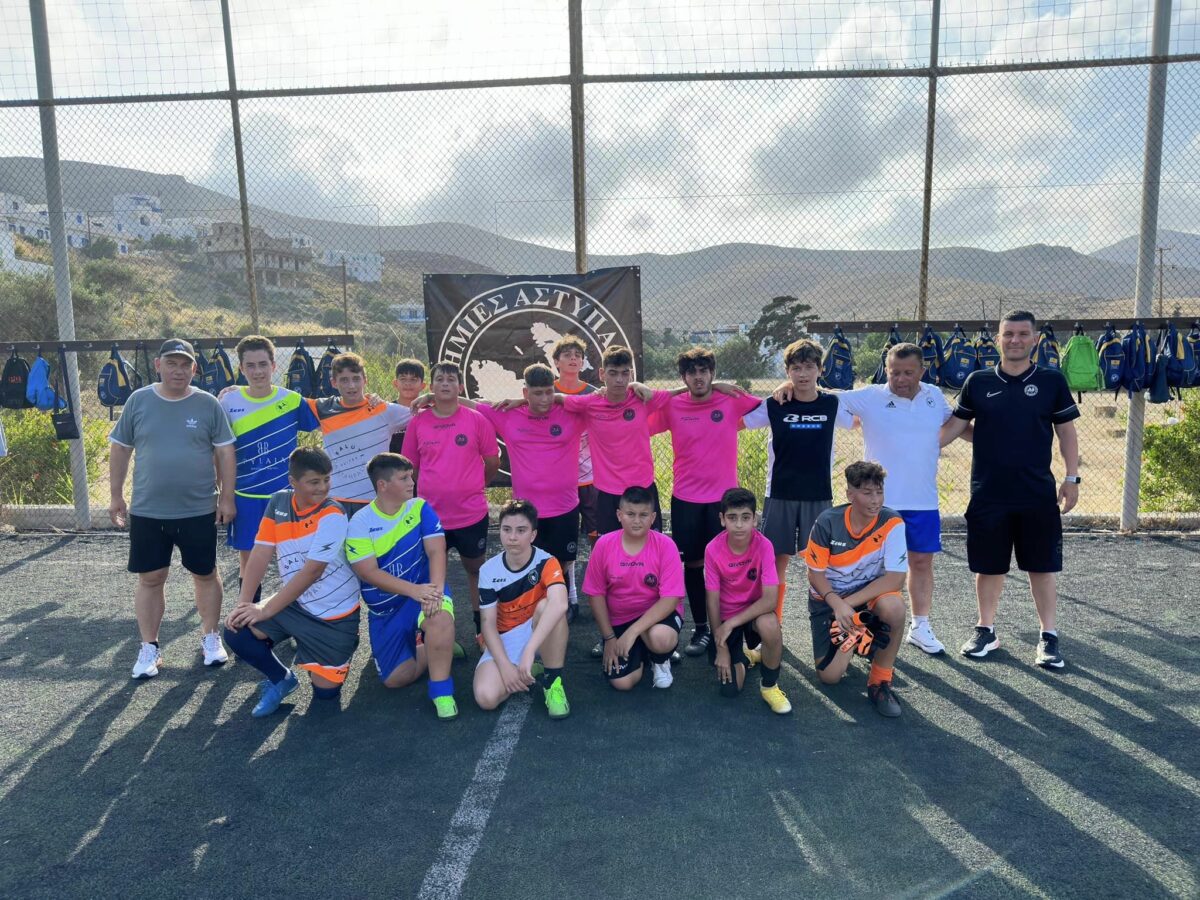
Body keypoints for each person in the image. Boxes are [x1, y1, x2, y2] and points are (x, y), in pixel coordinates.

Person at [939, 310, 1080, 670]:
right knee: (989, 567)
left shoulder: (1051, 380)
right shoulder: (978, 381)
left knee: (1041, 567)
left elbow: (1066, 432)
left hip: (1037, 493)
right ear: (998, 338)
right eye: (1008, 334)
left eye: (1022, 334)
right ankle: (985, 630)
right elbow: (954, 427)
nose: (1015, 340)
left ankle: (1048, 636)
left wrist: (1072, 477)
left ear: (1035, 339)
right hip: (988, 492)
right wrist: (915, 444)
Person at [108, 339, 237, 679]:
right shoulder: (139, 401)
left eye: (185, 365)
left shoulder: (208, 404)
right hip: (149, 510)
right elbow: (120, 449)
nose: (178, 371)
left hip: (198, 509)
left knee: (205, 573)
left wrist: (226, 497)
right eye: (171, 363)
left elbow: (225, 451)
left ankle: (211, 637)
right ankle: (149, 647)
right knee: (151, 578)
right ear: (158, 365)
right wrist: (116, 495)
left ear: (194, 369)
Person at [827, 342, 954, 655]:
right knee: (873, 568)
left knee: (921, 562)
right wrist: (790, 387)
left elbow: (956, 424)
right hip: (878, 505)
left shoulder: (934, 396)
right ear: (886, 370)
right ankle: (864, 626)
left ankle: (920, 626)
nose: (900, 379)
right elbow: (825, 398)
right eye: (894, 372)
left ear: (922, 371)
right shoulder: (871, 396)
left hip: (923, 502)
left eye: (908, 372)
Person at [223, 448, 360, 717]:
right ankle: (281, 679)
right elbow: (261, 552)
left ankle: (339, 645)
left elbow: (312, 572)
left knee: (326, 696)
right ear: (292, 482)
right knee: (236, 629)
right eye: (314, 482)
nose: (323, 487)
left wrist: (265, 609)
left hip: (334, 617)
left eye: (326, 479)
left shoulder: (334, 513)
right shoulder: (279, 502)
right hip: (295, 605)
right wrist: (244, 604)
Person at [651, 346, 762, 658]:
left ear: (712, 373)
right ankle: (701, 628)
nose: (698, 377)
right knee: (693, 565)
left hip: (724, 503)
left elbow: (772, 405)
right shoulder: (673, 405)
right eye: (692, 372)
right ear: (683, 377)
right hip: (686, 500)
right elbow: (639, 415)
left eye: (704, 371)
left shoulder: (730, 399)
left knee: (731, 565)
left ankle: (733, 626)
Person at [451, 363, 584, 605]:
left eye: (549, 392)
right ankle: (530, 611)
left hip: (564, 507)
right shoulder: (508, 415)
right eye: (537, 393)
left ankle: (559, 608)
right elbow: (471, 405)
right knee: (527, 563)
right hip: (527, 510)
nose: (545, 399)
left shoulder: (570, 414)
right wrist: (431, 396)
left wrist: (559, 398)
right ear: (525, 392)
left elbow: (600, 401)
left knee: (561, 564)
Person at [345, 453, 459, 719]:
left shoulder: (419, 508)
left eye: (410, 476)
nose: (412, 482)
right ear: (382, 485)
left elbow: (436, 551)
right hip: (386, 610)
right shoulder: (359, 523)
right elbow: (368, 572)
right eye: (404, 478)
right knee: (395, 680)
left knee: (439, 617)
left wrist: (434, 591)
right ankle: (435, 647)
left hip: (423, 592)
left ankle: (442, 693)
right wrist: (415, 591)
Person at [745, 338, 852, 623]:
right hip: (780, 493)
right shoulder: (775, 404)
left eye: (809, 367)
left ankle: (823, 622)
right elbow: (740, 420)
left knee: (819, 562)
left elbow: (857, 421)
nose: (802, 374)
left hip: (818, 494)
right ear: (787, 371)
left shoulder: (832, 404)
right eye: (795, 368)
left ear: (820, 369)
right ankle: (773, 621)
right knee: (775, 560)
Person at [401, 361, 500, 650]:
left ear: (460, 385)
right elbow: (411, 467)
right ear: (432, 386)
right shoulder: (418, 422)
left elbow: (492, 462)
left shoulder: (476, 420)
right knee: (433, 577)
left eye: (451, 379)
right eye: (440, 379)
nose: (445, 383)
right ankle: (436, 634)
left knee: (476, 570)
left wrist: (473, 486)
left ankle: (482, 630)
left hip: (471, 514)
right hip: (432, 517)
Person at [220, 335, 320, 602]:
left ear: (274, 366)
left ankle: (297, 617)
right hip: (247, 496)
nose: (258, 371)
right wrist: (223, 495)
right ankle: (247, 614)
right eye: (250, 366)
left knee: (295, 559)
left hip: (288, 496)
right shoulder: (227, 403)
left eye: (263, 364)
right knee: (250, 560)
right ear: (241, 368)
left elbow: (332, 419)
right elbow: (220, 452)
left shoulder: (293, 400)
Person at [805, 461, 908, 718]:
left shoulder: (893, 522)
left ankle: (880, 682)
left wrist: (847, 607)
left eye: (879, 492)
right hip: (828, 600)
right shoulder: (827, 522)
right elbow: (815, 574)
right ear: (850, 494)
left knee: (894, 607)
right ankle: (862, 636)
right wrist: (837, 605)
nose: (875, 500)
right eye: (867, 493)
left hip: (862, 598)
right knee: (829, 677)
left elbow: (895, 579)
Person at [558, 345, 673, 536]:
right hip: (607, 492)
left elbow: (680, 393)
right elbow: (556, 398)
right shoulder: (590, 403)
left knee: (649, 546)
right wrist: (521, 401)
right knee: (611, 547)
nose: (619, 379)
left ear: (631, 374)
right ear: (602, 374)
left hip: (643, 487)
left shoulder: (643, 399)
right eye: (613, 373)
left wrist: (717, 385)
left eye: (624, 373)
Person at [474, 500, 571, 718]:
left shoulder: (547, 561)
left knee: (549, 606)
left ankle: (552, 682)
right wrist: (504, 666)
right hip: (506, 637)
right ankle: (525, 670)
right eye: (506, 529)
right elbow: (487, 624)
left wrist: (529, 650)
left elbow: (560, 604)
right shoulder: (488, 570)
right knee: (486, 698)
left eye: (521, 530)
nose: (512, 537)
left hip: (539, 630)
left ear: (533, 535)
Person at [583, 486, 686, 691]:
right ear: (619, 515)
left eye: (643, 515)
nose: (637, 520)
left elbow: (671, 598)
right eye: (630, 514)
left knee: (661, 639)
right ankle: (641, 653)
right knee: (622, 683)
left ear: (653, 517)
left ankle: (659, 659)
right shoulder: (603, 545)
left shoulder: (666, 545)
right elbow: (595, 594)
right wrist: (609, 638)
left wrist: (632, 632)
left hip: (656, 618)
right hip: (620, 619)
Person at [704, 487, 790, 714]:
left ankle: (769, 686)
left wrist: (731, 624)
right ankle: (743, 657)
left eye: (745, 517)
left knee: (770, 624)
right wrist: (721, 646)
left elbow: (770, 600)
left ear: (755, 519)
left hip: (754, 612)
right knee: (729, 689)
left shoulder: (764, 545)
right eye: (732, 518)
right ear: (722, 519)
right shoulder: (712, 549)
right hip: (726, 616)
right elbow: (712, 601)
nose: (739, 525)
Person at [306, 352, 412, 503]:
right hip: (335, 499)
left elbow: (429, 415)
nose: (351, 386)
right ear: (333, 383)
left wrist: (429, 397)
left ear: (365, 380)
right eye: (344, 380)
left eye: (356, 379)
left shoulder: (383, 409)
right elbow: (286, 403)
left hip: (375, 500)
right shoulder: (322, 409)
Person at [551, 334, 599, 620]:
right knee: (564, 545)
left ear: (583, 363)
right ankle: (570, 597)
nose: (573, 358)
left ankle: (600, 594)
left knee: (597, 540)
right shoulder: (546, 391)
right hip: (560, 479)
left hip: (592, 477)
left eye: (577, 355)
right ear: (556, 362)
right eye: (567, 354)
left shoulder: (594, 393)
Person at [388, 358, 426, 454]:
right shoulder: (388, 410)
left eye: (413, 379)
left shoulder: (430, 411)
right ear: (395, 383)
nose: (408, 383)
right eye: (403, 379)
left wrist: (432, 397)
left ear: (423, 385)